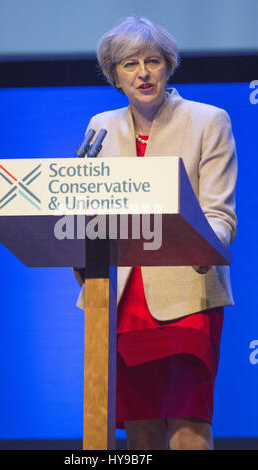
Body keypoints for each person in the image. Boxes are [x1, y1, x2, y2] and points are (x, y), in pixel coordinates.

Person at [74, 16, 237, 450]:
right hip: (122, 296)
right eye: (130, 64)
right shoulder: (100, 128)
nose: (143, 72)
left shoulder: (209, 120)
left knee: (189, 422)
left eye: (152, 61)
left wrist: (205, 247)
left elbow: (220, 213)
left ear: (168, 66)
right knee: (141, 426)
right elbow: (90, 212)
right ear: (115, 76)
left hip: (189, 290)